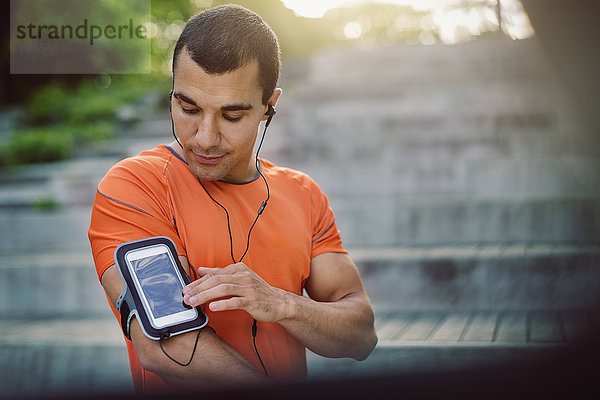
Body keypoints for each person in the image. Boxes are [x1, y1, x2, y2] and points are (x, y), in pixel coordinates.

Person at [88, 4, 377, 392]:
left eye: (232, 115)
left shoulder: (303, 193)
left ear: (268, 107)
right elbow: (166, 346)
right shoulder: (133, 186)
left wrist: (283, 303)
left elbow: (361, 335)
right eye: (188, 108)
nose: (205, 137)